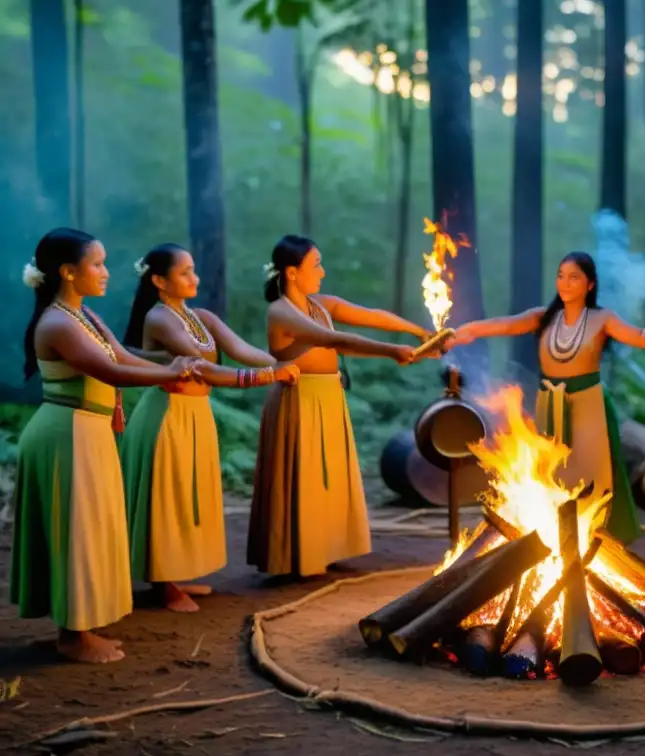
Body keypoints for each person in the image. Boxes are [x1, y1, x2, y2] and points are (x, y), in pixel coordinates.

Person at [10, 228, 201, 663]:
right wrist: (173, 374)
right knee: (76, 530)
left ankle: (81, 625)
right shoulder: (58, 322)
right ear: (68, 272)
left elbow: (122, 357)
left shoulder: (84, 316)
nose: (106, 272)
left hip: (87, 433)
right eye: (97, 264)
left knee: (91, 528)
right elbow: (111, 372)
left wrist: (173, 365)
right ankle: (73, 635)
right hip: (66, 434)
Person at [446, 251, 645, 543]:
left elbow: (639, 335)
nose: (565, 283)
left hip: (588, 403)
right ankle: (555, 536)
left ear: (590, 284)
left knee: (592, 473)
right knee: (552, 472)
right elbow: (504, 324)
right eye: (561, 276)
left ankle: (595, 537)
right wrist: (468, 331)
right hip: (550, 402)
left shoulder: (602, 318)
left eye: (574, 277)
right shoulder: (544, 317)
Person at [119, 244, 300, 613]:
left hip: (195, 414)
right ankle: (162, 583)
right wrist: (269, 375)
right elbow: (205, 369)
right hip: (166, 416)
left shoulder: (198, 315)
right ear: (159, 280)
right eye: (184, 272)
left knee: (189, 494)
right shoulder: (159, 318)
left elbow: (241, 348)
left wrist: (288, 365)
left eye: (193, 270)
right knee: (167, 496)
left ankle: (175, 573)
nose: (194, 278)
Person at [247, 235, 431, 578]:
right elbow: (333, 339)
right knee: (304, 475)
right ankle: (299, 556)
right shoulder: (281, 312)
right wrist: (391, 351)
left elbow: (369, 318)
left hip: (329, 397)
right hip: (298, 399)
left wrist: (416, 331)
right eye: (315, 264)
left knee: (329, 475)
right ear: (291, 272)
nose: (322, 271)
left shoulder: (322, 305)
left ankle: (328, 547)